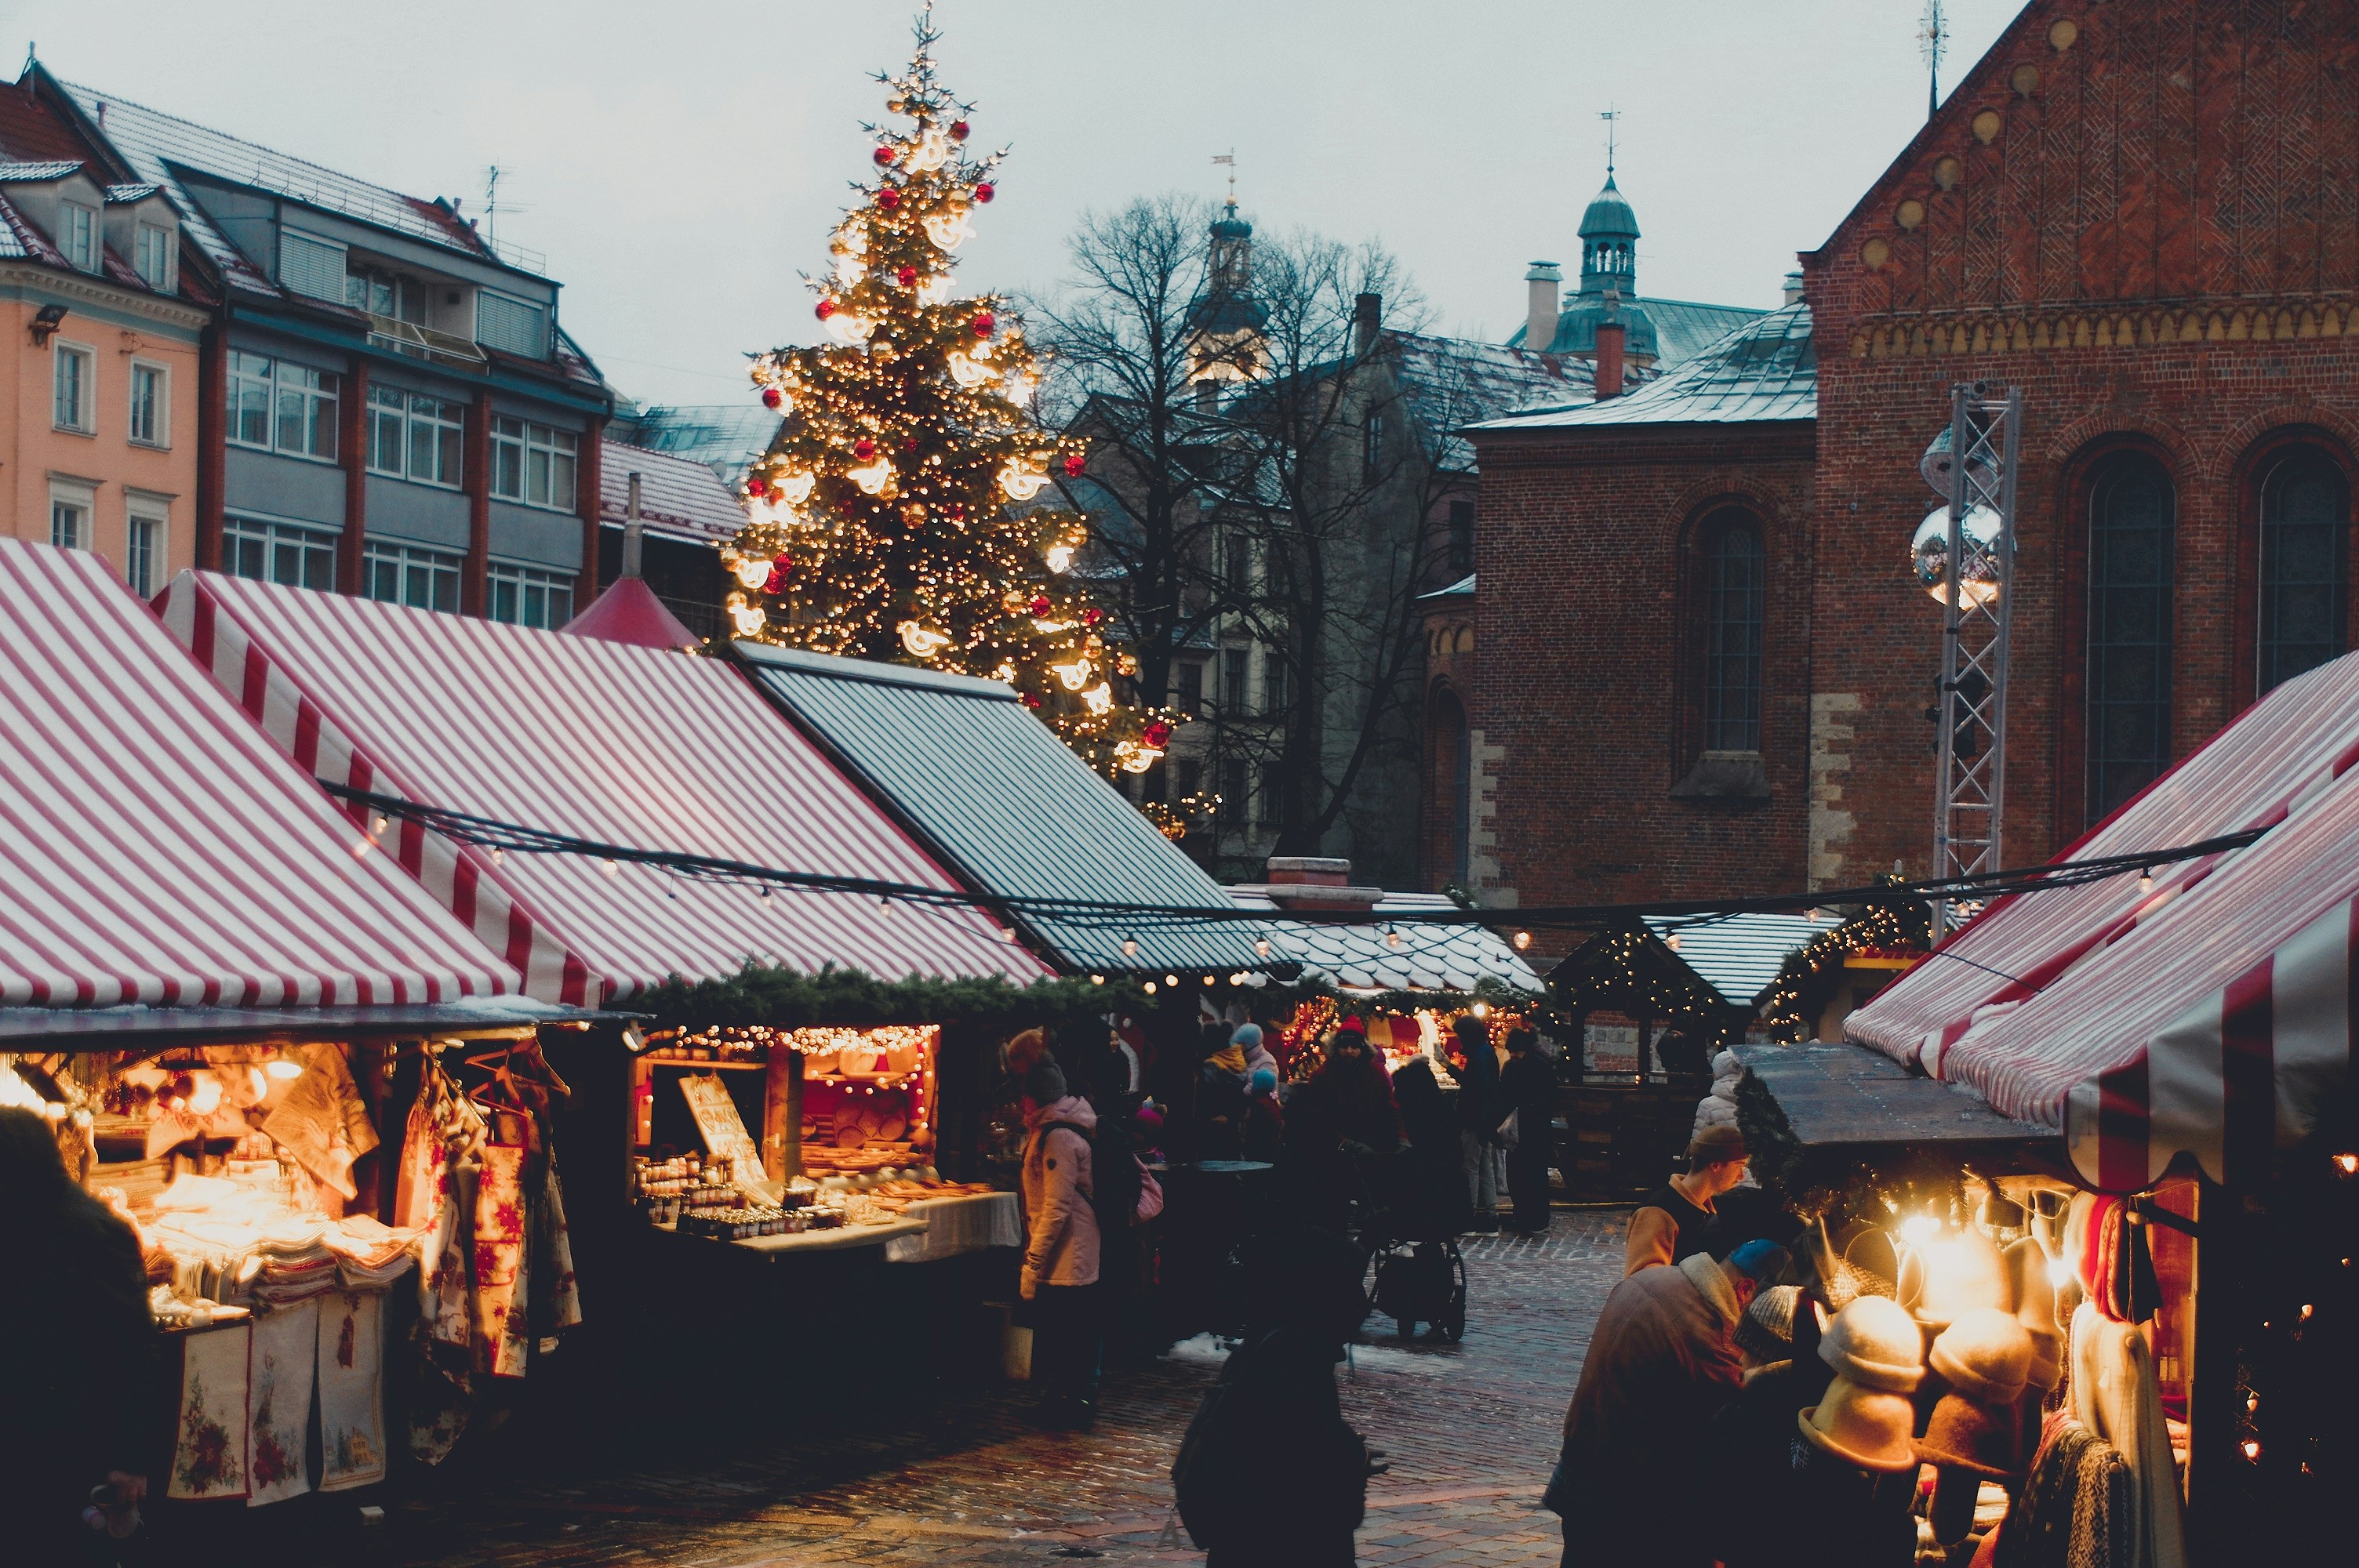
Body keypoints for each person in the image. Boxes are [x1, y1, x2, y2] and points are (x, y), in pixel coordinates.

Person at [1545, 1237, 1790, 1568]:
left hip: (1582, 1469)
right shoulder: (1704, 1335)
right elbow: (1738, 1413)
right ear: (1745, 1289)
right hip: (1627, 1501)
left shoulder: (1654, 1278)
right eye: (1759, 1310)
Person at [0, 1107, 158, 1560]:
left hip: (75, 1435)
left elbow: (132, 1349)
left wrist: (130, 1458)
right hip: (30, 1429)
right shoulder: (24, 1216)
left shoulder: (92, 1232)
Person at [1174, 1225, 1379, 1566]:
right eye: (1350, 1286)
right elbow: (1307, 1484)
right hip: (1281, 1546)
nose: (1361, 1302)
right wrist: (1349, 1459)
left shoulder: (1270, 1347)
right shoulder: (1295, 1359)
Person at [1018, 1059, 1103, 1428]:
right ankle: (1064, 1397)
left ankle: (1074, 1400)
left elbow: (1056, 1205)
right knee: (1068, 1327)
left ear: (1033, 1099)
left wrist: (1034, 1259)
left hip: (1069, 1252)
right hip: (1068, 1250)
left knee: (1070, 1327)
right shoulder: (1056, 1129)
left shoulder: (1058, 1137)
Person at [1623, 1122, 1750, 1275]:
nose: (1742, 1176)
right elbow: (1645, 1280)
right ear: (1716, 1165)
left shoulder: (1710, 1209)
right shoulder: (1657, 1213)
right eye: (1739, 1165)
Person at [1496, 1028, 1556, 1236]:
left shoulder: (1538, 1067)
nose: (1513, 1056)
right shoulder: (1514, 1067)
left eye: (1517, 1052)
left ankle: (1535, 1217)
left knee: (1533, 1175)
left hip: (1533, 1129)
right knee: (1518, 1175)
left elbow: (1548, 1099)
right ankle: (1523, 1215)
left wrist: (1523, 1108)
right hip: (1520, 1129)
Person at [1450, 1014, 1503, 1233]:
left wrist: (1450, 1068)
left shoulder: (1479, 1056)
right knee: (1485, 1168)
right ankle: (1490, 1215)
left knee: (1470, 1168)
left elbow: (1474, 1088)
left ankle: (1468, 1215)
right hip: (1485, 1120)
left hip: (1474, 1119)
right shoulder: (1486, 1052)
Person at [1241, 1067, 1285, 1163]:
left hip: (1260, 1152)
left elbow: (1254, 1132)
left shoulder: (1258, 1105)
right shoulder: (1273, 1103)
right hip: (1272, 1150)